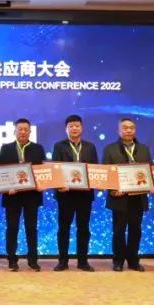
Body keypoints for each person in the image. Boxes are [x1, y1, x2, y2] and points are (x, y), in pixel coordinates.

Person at [101, 118, 152, 272]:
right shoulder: (110, 149)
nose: (129, 130)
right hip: (119, 197)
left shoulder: (144, 149)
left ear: (135, 130)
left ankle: (133, 261)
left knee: (136, 230)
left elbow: (149, 171)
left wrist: (150, 184)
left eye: (131, 128)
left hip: (138, 197)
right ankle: (118, 261)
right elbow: (106, 172)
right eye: (125, 128)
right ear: (119, 131)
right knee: (119, 230)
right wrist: (112, 189)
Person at [52, 114, 98, 271]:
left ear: (82, 128)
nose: (74, 128)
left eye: (77, 126)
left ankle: (83, 261)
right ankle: (62, 261)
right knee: (63, 228)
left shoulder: (90, 147)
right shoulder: (59, 146)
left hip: (85, 195)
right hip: (65, 194)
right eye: (71, 126)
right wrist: (59, 185)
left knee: (83, 228)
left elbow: (94, 169)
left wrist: (94, 183)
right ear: (66, 129)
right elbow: (55, 168)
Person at [0, 118, 45, 271]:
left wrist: (43, 184)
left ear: (30, 131)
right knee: (12, 228)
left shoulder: (38, 148)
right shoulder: (6, 148)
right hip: (12, 196)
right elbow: (0, 172)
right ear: (15, 131)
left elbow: (44, 172)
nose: (23, 132)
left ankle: (33, 260)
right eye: (20, 129)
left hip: (32, 196)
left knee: (31, 228)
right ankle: (12, 260)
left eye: (26, 129)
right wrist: (6, 188)